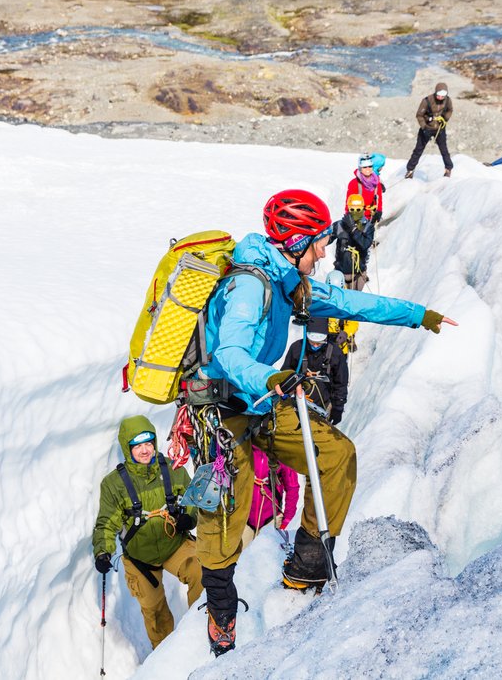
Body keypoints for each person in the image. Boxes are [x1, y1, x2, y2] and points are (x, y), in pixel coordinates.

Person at [194, 188, 457, 655]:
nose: (322, 251)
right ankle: (221, 611)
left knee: (336, 455)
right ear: (295, 243)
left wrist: (419, 315)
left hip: (263, 402)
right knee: (225, 515)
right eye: (316, 242)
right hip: (225, 411)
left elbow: (353, 305)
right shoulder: (250, 287)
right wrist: (270, 375)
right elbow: (229, 352)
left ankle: (309, 562)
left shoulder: (287, 284)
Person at [92, 415, 203, 649]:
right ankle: (165, 654)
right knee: (153, 609)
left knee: (201, 571)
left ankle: (203, 630)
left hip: (174, 543)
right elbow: (107, 523)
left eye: (148, 443)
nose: (145, 450)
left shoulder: (171, 468)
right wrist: (103, 552)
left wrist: (188, 517)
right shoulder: (114, 484)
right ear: (127, 448)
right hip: (140, 557)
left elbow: (193, 493)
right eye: (138, 446)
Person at [282, 316, 350, 426]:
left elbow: (341, 382)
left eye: (319, 343)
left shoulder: (335, 353)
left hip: (324, 404)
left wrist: (338, 407)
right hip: (298, 401)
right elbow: (285, 372)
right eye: (312, 342)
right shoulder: (297, 348)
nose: (315, 345)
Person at [242, 447, 300, 548]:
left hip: (271, 519)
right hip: (244, 519)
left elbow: (292, 487)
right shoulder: (245, 448)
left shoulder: (282, 452)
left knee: (265, 561)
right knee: (238, 561)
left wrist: (287, 519)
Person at [405, 82, 454, 179]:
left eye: (443, 96)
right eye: (439, 95)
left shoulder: (447, 100)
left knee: (444, 150)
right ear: (435, 93)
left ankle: (448, 169)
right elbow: (419, 115)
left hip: (440, 129)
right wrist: (424, 127)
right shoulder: (426, 101)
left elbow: (450, 110)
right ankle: (410, 170)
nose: (440, 97)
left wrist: (444, 118)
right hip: (426, 128)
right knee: (418, 150)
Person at [333, 193, 375, 291]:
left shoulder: (368, 227)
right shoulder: (339, 225)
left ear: (363, 209)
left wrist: (353, 230)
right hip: (340, 273)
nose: (355, 212)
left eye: (358, 210)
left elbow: (365, 244)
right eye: (352, 210)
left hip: (358, 274)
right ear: (348, 209)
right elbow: (325, 239)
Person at [325, 270, 359, 354]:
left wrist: (346, 333)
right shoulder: (321, 299)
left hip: (341, 346)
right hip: (322, 342)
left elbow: (353, 323)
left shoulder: (349, 302)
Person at [347, 154, 384, 223]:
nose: (368, 169)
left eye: (370, 166)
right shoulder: (354, 183)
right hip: (357, 218)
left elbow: (379, 198)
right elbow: (348, 202)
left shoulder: (376, 182)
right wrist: (348, 217)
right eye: (365, 167)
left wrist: (379, 210)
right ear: (360, 168)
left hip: (371, 217)